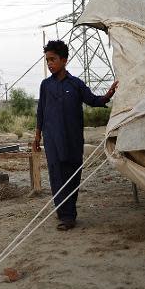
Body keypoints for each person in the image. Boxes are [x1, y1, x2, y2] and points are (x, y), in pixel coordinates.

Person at [34, 40, 118, 231]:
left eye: (53, 59)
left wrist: (108, 95)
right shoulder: (45, 85)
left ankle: (69, 214)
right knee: (56, 176)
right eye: (47, 60)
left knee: (72, 175)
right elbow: (40, 111)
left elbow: (93, 100)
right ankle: (64, 214)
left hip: (72, 140)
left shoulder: (76, 84)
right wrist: (37, 136)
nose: (49, 64)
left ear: (64, 60)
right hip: (53, 140)